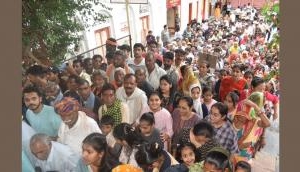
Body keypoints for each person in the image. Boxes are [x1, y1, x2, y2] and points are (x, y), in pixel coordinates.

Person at [233, 92, 270, 161]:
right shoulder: (232, 118)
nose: (242, 118)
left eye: (245, 115)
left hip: (243, 156)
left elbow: (267, 124)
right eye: (240, 115)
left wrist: (255, 107)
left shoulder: (253, 122)